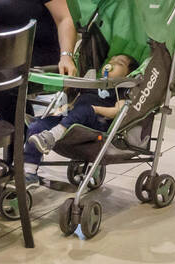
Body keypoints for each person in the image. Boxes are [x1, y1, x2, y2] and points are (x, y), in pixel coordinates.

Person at [23, 53, 134, 184]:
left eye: (119, 63)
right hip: (74, 118)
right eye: (111, 60)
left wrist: (95, 109)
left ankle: (52, 136)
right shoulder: (93, 82)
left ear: (128, 75)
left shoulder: (121, 90)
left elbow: (118, 111)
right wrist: (64, 107)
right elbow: (74, 102)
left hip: (97, 122)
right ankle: (29, 171)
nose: (112, 63)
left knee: (85, 109)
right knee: (37, 125)